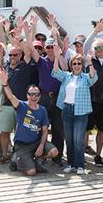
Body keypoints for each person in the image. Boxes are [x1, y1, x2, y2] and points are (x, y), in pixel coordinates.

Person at [0, 74, 58, 176]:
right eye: (31, 94)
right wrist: (5, 84)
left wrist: (42, 146)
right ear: (27, 95)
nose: (34, 97)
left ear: (40, 96)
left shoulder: (42, 110)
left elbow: (45, 131)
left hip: (36, 142)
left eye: (36, 94)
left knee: (54, 152)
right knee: (31, 172)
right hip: (22, 145)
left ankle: (38, 160)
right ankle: (15, 158)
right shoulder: (21, 106)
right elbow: (11, 97)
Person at [0, 20, 37, 165]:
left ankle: (19, 155)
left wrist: (20, 38)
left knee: (20, 132)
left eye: (15, 55)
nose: (13, 57)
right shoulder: (5, 66)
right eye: (11, 55)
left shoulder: (25, 65)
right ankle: (5, 154)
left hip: (21, 104)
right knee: (5, 132)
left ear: (20, 56)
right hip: (6, 104)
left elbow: (28, 51)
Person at [51, 49, 96, 175]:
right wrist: (56, 57)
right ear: (71, 65)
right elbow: (55, 72)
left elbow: (93, 77)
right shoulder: (66, 76)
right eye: (74, 64)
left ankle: (80, 165)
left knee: (77, 140)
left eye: (79, 64)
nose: (76, 66)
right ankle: (71, 164)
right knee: (69, 139)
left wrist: (90, 62)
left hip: (81, 112)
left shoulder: (86, 78)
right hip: (67, 110)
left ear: (82, 65)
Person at [31, 15, 68, 166]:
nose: (50, 49)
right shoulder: (41, 61)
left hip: (59, 98)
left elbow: (65, 68)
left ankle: (57, 157)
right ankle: (42, 155)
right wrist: (31, 29)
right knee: (41, 128)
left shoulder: (61, 60)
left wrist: (54, 30)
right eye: (48, 47)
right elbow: (31, 47)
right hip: (44, 98)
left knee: (59, 129)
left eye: (53, 47)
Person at [83, 20, 103, 166]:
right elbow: (85, 46)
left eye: (102, 47)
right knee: (86, 129)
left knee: (102, 130)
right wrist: (95, 31)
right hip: (89, 101)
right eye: (97, 48)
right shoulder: (87, 61)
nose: (99, 49)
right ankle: (82, 155)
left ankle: (98, 156)